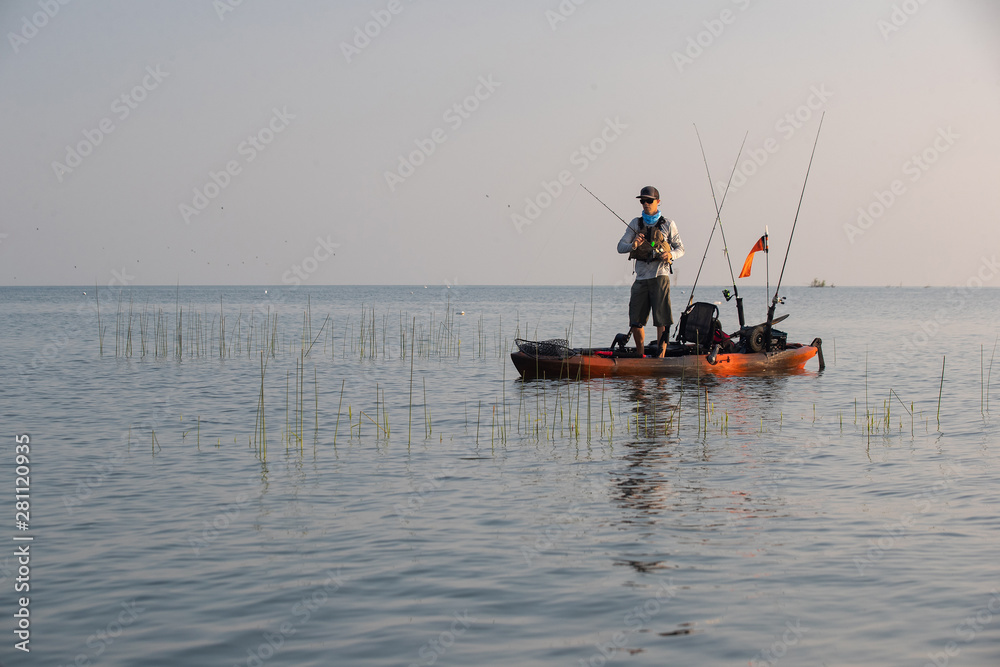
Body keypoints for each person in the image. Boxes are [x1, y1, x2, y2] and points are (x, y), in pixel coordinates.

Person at [616, 186, 684, 357]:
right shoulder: (635, 224)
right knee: (635, 321)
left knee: (661, 320)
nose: (645, 204)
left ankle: (660, 358)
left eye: (649, 200)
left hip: (660, 276)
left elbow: (680, 248)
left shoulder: (669, 224)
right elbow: (620, 247)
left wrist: (670, 255)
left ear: (658, 202)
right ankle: (640, 356)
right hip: (641, 278)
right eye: (642, 201)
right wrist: (634, 245)